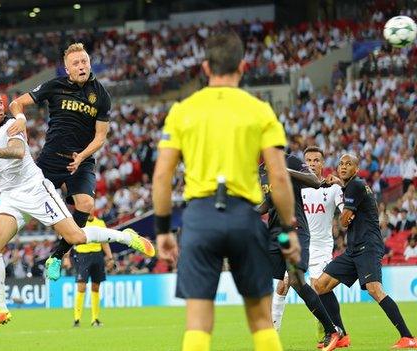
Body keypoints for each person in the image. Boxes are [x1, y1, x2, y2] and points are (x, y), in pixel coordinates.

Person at [152, 31, 300, 351]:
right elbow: (279, 176)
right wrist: (288, 232)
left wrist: (163, 230)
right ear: (242, 66)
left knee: (198, 325)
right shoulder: (259, 110)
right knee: (261, 321)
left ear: (206, 68)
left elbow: (162, 175)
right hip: (245, 218)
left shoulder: (182, 110)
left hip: (200, 218)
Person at [0, 87, 153, 329]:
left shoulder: (12, 124)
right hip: (11, 196)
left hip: (36, 191)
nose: (0, 108)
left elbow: (17, 151)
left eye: (0, 104)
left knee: (76, 236)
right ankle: (0, 308)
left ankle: (126, 237)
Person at [8, 42, 112, 280]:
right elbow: (17, 102)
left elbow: (101, 137)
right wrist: (21, 118)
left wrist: (83, 156)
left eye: (84, 61)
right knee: (23, 205)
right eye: (75, 63)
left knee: (85, 205)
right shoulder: (54, 86)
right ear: (67, 69)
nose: (81, 66)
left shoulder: (101, 95)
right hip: (51, 160)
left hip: (82, 159)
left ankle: (56, 256)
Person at [314, 154, 417, 349]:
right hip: (353, 249)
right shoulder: (353, 186)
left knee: (374, 289)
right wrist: (340, 187)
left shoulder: (356, 185)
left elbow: (344, 222)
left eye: (349, 164)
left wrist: (344, 217)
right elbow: (349, 209)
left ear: (357, 169)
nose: (343, 167)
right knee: (321, 285)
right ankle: (341, 335)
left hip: (367, 247)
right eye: (341, 164)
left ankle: (408, 337)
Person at [259, 151, 344, 350]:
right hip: (275, 233)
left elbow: (314, 180)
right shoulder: (261, 170)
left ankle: (332, 330)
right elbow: (268, 203)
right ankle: (270, 333)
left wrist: (283, 169)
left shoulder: (290, 160)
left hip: (294, 229)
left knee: (296, 280)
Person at [71, 215, 114, 327]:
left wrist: (110, 257)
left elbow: (105, 241)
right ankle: (77, 319)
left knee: (96, 287)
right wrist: (66, 257)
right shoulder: (78, 221)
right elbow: (69, 238)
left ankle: (95, 319)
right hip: (82, 256)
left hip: (97, 256)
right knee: (81, 287)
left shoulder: (100, 223)